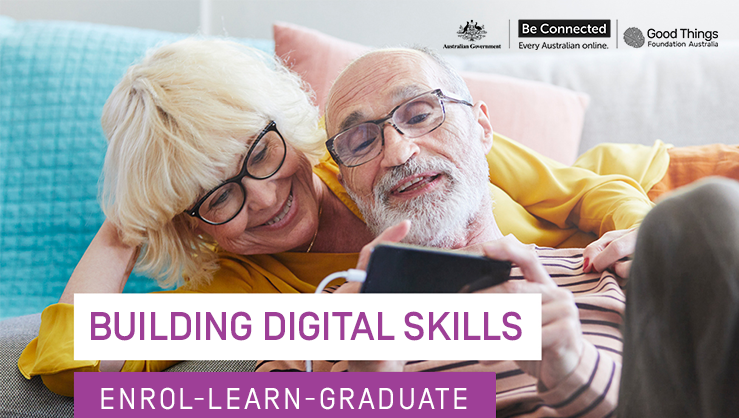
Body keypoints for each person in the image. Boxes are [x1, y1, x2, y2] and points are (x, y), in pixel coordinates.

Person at [18, 39, 668, 398]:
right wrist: (126, 220)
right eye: (217, 198)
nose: (265, 199)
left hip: (614, 240)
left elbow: (587, 190)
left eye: (259, 154)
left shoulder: (381, 151)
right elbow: (75, 369)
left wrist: (644, 229)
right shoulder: (236, 286)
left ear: (288, 127)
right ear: (192, 227)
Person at [248, 47, 628, 418]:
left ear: (483, 128)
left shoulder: (605, 271)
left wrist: (576, 370)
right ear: (347, 184)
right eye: (361, 141)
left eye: (420, 113)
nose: (398, 152)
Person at [612, 177, 739, 418]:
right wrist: (572, 370)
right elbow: (476, 416)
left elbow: (589, 188)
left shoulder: (606, 251)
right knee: (700, 213)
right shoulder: (481, 304)